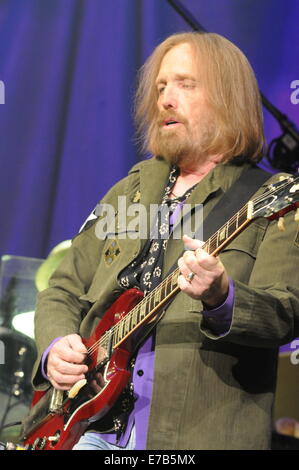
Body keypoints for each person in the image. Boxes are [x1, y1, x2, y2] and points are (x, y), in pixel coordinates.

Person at [31, 32, 299, 450]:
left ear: (229, 97)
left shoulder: (268, 196)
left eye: (185, 84)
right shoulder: (129, 189)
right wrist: (55, 346)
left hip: (195, 433)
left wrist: (223, 297)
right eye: (160, 87)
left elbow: (285, 312)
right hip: (88, 428)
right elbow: (62, 288)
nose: (165, 100)